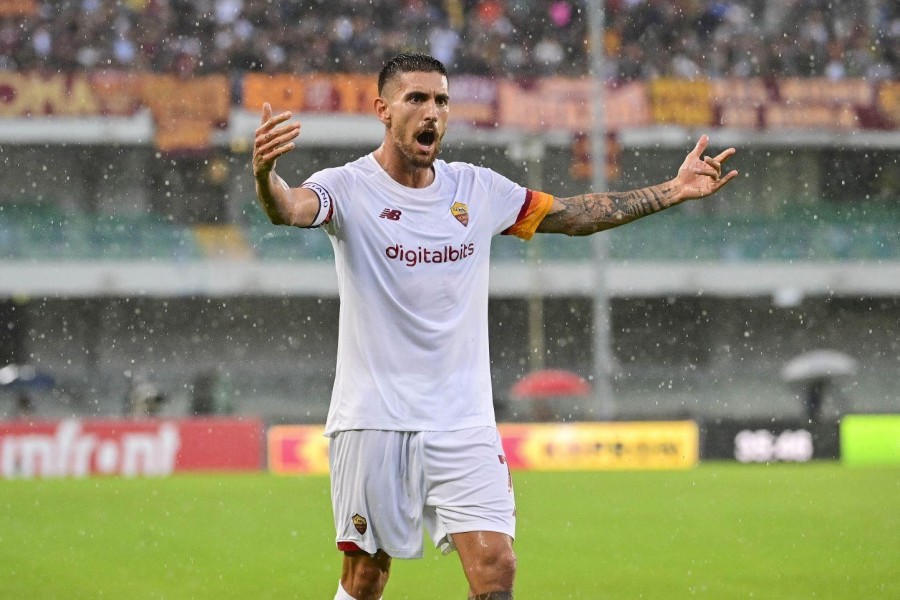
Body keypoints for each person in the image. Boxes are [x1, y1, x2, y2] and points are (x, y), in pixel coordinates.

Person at [252, 53, 737, 600]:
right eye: (416, 99)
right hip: (374, 419)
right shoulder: (347, 186)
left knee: (496, 567)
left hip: (464, 422)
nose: (431, 111)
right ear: (382, 110)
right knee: (366, 578)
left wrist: (671, 191)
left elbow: (573, 215)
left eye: (441, 100)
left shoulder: (475, 190)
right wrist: (267, 175)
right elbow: (288, 208)